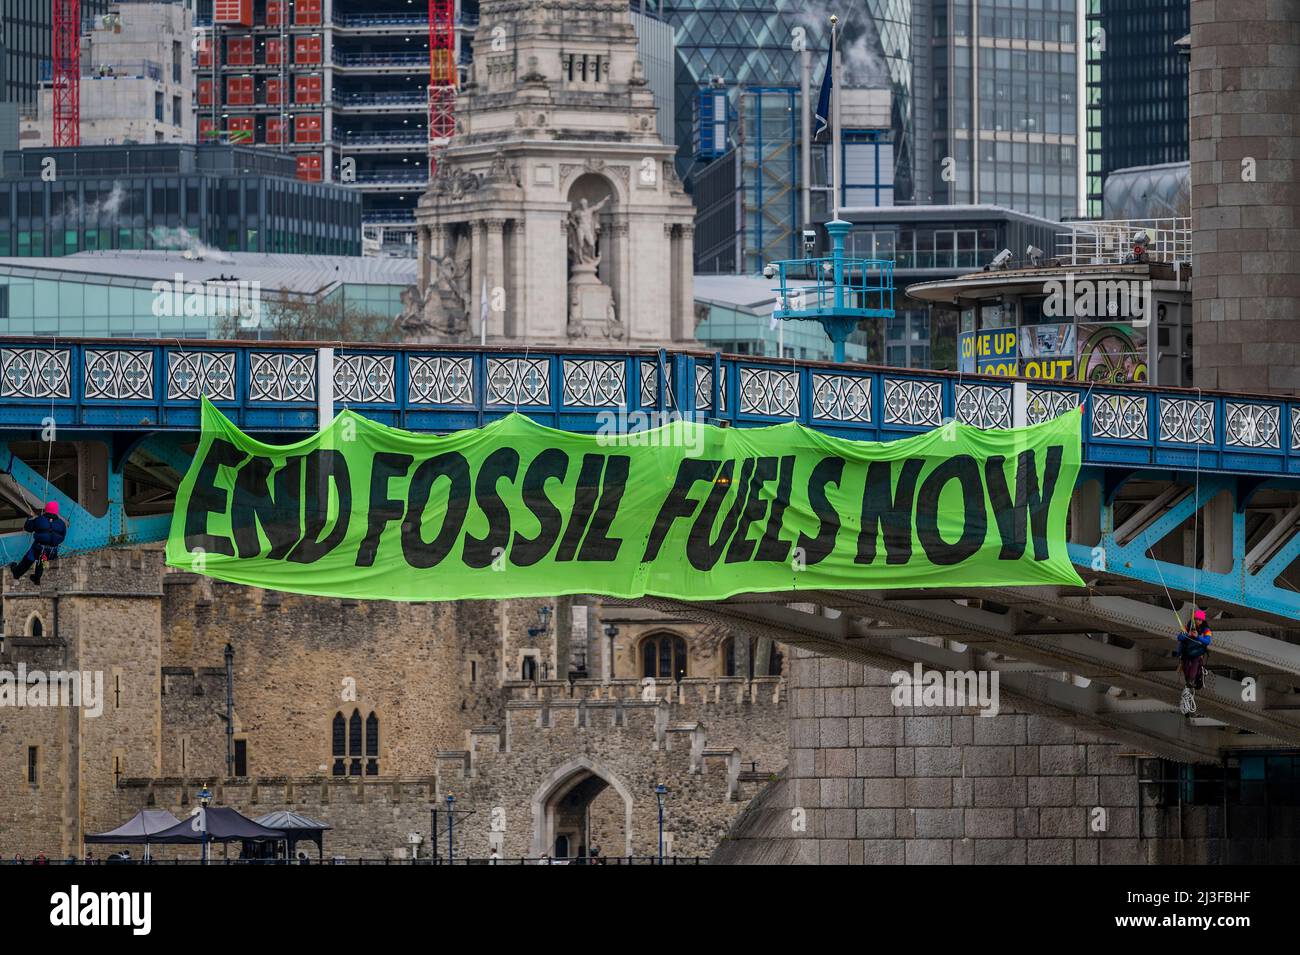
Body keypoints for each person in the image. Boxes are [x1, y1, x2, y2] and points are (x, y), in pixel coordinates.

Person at [9, 502, 67, 585]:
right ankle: (37, 578)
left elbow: (28, 528)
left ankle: (16, 573)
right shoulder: (61, 524)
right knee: (42, 561)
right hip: (52, 551)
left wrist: (29, 518)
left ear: (46, 509)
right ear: (56, 511)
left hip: (38, 548)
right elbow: (63, 536)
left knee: (28, 560)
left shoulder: (40, 519)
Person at [1177, 610, 1213, 691]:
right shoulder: (1188, 627)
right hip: (1187, 650)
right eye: (1196, 619)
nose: (1198, 621)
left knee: (1195, 663)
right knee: (1185, 666)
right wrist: (1187, 634)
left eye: (1200, 620)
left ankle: (1191, 680)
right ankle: (1188, 681)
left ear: (1202, 620)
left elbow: (1207, 641)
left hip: (1197, 651)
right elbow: (1179, 637)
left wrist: (1198, 637)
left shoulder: (1206, 630)